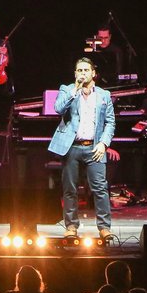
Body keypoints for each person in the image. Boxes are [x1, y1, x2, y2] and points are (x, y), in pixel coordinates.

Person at [48, 58, 115, 242]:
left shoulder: (104, 95)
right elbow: (58, 109)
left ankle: (104, 228)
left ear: (93, 73)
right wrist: (74, 91)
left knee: (100, 189)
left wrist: (103, 143)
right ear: (75, 74)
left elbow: (110, 122)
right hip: (72, 147)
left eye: (86, 70)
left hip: (95, 147)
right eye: (79, 70)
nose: (83, 73)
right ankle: (71, 227)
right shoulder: (67, 89)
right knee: (70, 189)